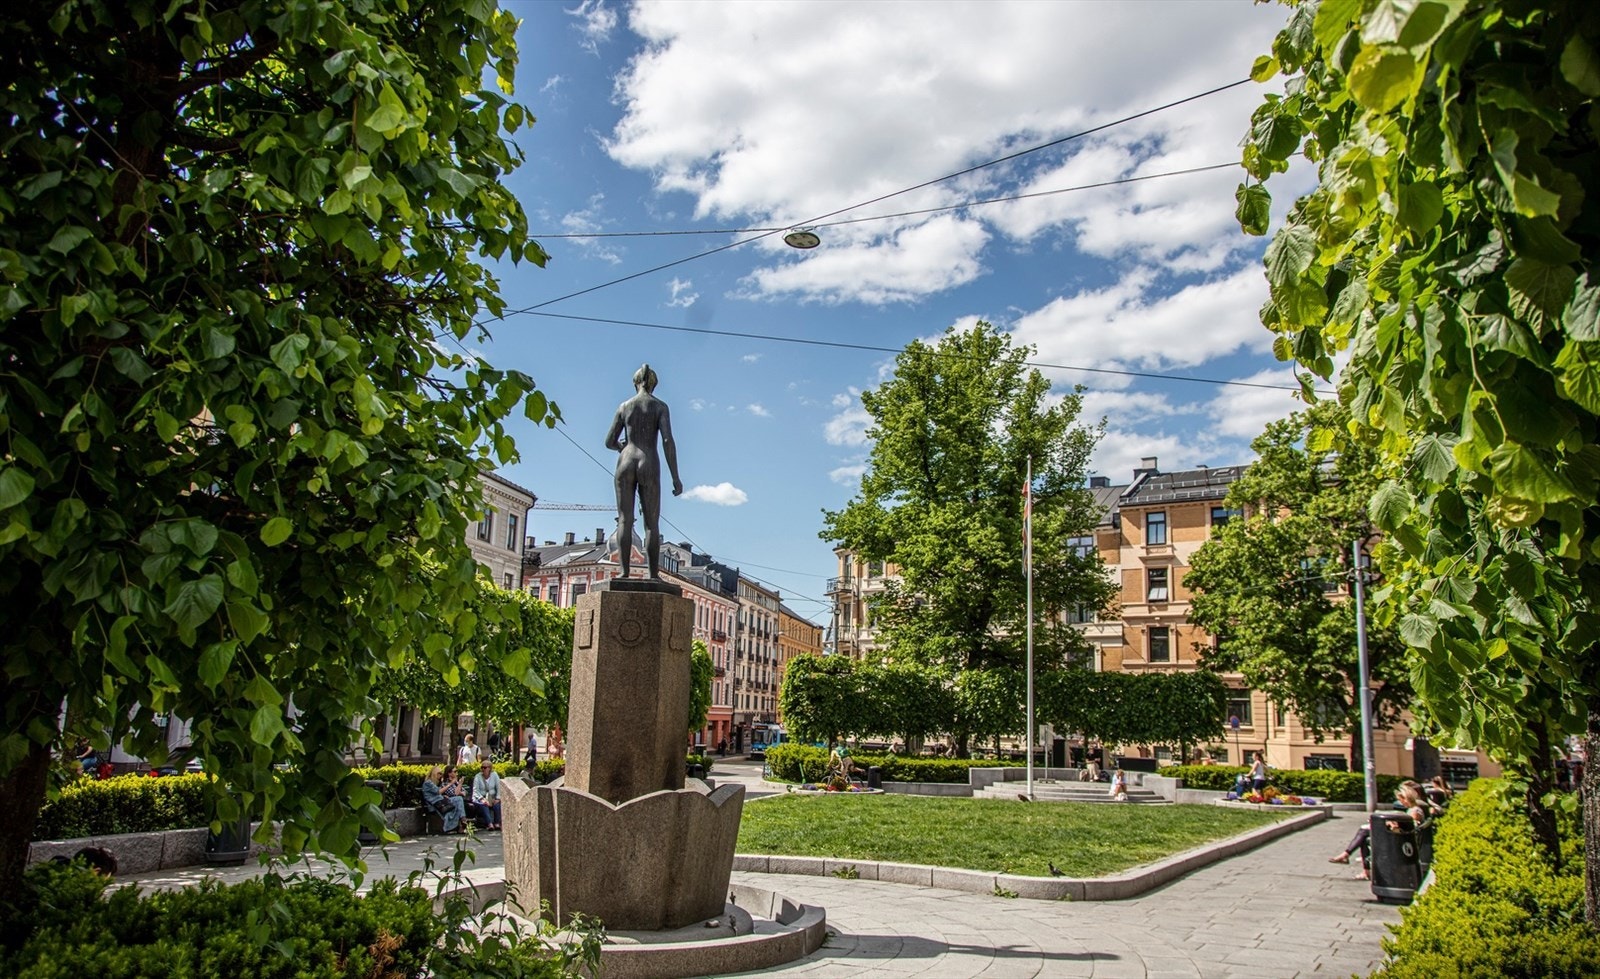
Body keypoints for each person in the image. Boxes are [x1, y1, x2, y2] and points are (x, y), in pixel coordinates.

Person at [604, 363, 684, 579]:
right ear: (653, 384)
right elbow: (667, 440)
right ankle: (653, 574)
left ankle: (623, 572)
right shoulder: (660, 407)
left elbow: (609, 441)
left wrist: (623, 446)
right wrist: (675, 476)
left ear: (635, 382)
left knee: (624, 520)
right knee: (651, 524)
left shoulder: (624, 406)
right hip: (649, 461)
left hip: (626, 461)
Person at [421, 765, 465, 833]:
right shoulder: (428, 783)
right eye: (439, 773)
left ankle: (462, 820)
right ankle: (458, 824)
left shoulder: (434, 783)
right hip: (435, 803)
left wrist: (444, 796)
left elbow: (438, 793)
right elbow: (438, 792)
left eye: (441, 773)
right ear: (434, 774)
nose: (441, 775)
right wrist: (450, 783)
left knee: (459, 800)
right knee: (457, 801)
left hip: (441, 800)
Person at [472, 760, 502, 830]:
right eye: (482, 767)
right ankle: (489, 824)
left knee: (497, 804)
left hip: (492, 797)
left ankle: (497, 823)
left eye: (485, 768)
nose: (483, 769)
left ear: (490, 768)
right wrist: (482, 799)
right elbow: (475, 790)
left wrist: (498, 798)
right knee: (484, 805)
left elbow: (499, 787)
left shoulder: (494, 775)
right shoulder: (478, 776)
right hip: (480, 797)